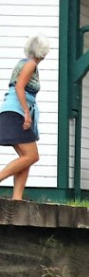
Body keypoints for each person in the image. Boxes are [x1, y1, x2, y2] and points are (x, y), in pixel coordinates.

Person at [0, 36, 50, 200]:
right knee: (32, 156)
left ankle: (17, 198)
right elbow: (20, 87)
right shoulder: (30, 65)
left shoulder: (23, 63)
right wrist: (26, 114)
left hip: (11, 111)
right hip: (17, 112)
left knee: (26, 158)